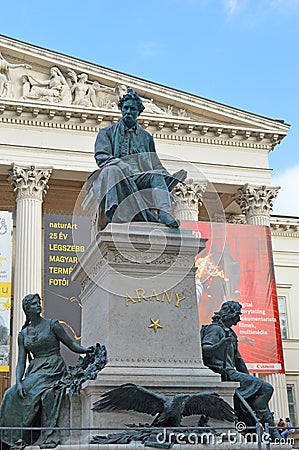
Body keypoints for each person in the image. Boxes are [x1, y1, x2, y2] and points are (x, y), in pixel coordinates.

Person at [0, 293, 92, 449]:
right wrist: (18, 381)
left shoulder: (53, 325)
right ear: (27, 309)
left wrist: (86, 350)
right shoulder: (23, 334)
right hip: (35, 369)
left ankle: (29, 436)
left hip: (53, 367)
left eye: (38, 303)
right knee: (11, 394)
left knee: (36, 391)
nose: (38, 305)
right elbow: (21, 362)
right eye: (34, 304)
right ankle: (12, 438)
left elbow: (71, 344)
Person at [89, 87, 187, 228]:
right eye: (126, 108)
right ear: (121, 109)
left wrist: (168, 177)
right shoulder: (107, 133)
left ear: (138, 112)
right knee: (112, 172)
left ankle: (164, 213)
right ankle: (116, 213)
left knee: (157, 175)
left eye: (132, 109)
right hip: (118, 173)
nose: (128, 112)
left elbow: (155, 164)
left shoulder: (146, 137)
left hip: (140, 177)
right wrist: (119, 164)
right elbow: (101, 156)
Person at [201, 300, 282, 441]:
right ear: (230, 314)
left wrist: (250, 379)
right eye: (238, 315)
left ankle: (259, 421)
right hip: (222, 373)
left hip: (232, 373)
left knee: (262, 389)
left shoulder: (230, 333)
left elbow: (238, 360)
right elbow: (205, 350)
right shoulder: (215, 329)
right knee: (267, 388)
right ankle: (265, 425)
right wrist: (220, 344)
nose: (239, 318)